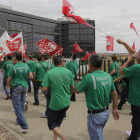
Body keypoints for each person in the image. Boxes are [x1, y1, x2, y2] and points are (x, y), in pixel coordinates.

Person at [75, 54, 119, 140]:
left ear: (90, 64)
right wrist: (115, 109)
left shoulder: (88, 77)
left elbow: (77, 91)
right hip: (106, 113)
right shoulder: (108, 76)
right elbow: (115, 94)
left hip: (95, 115)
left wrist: (86, 76)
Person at [42, 55, 75, 140]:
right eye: (64, 61)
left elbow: (44, 89)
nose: (65, 62)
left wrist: (51, 85)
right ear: (61, 62)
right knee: (57, 123)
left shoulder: (50, 73)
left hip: (55, 104)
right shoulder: (68, 72)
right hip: (66, 102)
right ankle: (55, 139)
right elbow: (73, 87)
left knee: (52, 124)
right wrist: (70, 95)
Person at [117, 39, 140, 140]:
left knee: (136, 125)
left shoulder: (137, 68)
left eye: (138, 52)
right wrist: (124, 43)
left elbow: (121, 71)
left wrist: (129, 60)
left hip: (137, 101)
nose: (136, 53)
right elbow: (133, 52)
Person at [7, 53, 33, 133]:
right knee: (21, 104)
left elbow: (9, 79)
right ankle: (19, 120)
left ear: (16, 58)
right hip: (25, 86)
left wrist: (9, 84)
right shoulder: (26, 66)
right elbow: (31, 76)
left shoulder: (13, 67)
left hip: (16, 87)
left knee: (17, 105)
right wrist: (24, 77)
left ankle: (24, 126)